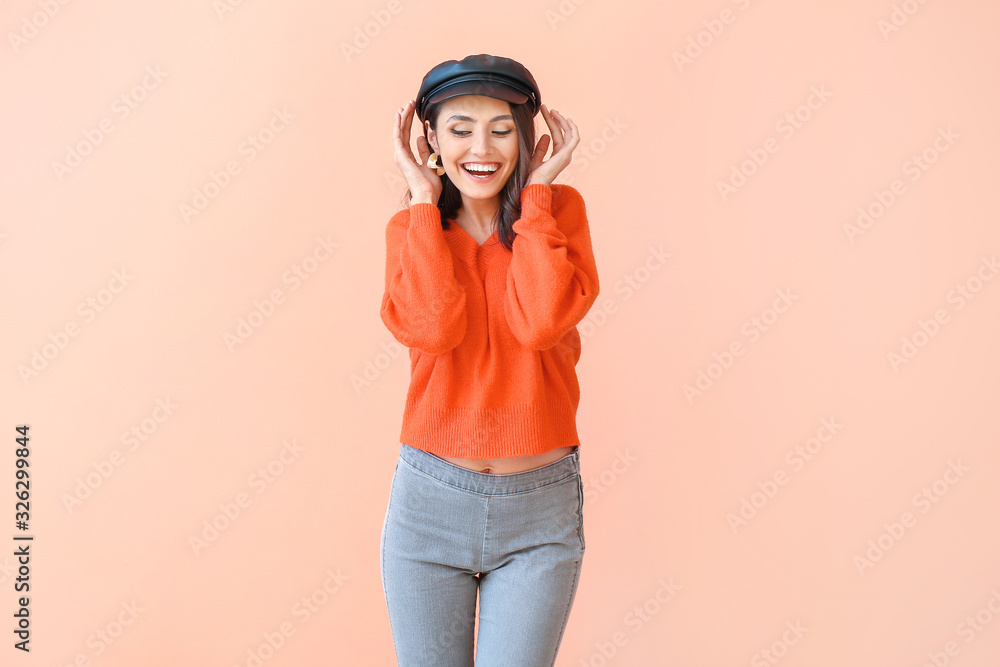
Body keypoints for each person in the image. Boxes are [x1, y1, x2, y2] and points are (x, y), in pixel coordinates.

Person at [379, 53, 600, 666]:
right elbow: (433, 327)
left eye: (502, 129)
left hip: (539, 510)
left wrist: (536, 199)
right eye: (460, 128)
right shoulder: (413, 229)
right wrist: (423, 199)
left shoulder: (558, 215)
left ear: (528, 137)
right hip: (429, 504)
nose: (483, 147)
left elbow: (539, 322)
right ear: (431, 140)